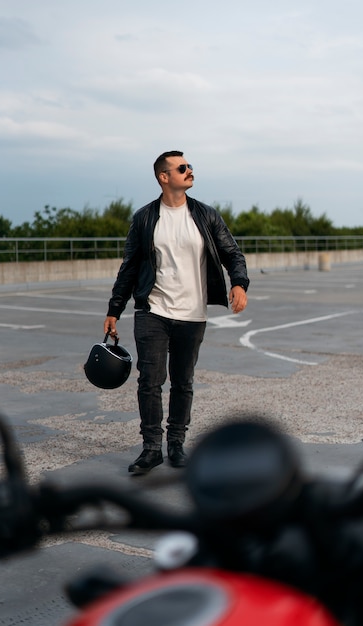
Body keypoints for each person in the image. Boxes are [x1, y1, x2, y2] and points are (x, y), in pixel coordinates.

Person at [104, 150, 249, 475]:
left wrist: (239, 283)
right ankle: (152, 448)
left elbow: (232, 253)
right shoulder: (144, 218)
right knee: (150, 381)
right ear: (164, 177)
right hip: (152, 311)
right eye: (182, 167)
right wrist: (115, 308)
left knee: (183, 382)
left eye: (190, 166)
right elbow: (128, 268)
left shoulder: (206, 216)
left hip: (192, 314)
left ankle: (177, 444)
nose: (190, 170)